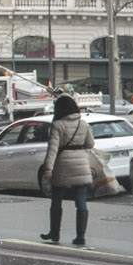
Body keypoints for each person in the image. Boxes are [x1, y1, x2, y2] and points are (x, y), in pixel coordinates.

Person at [38, 94, 96, 246]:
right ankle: (80, 237)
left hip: (63, 165)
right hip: (82, 164)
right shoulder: (83, 123)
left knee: (57, 200)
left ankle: (55, 233)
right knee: (81, 203)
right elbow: (90, 143)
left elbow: (53, 149)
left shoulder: (57, 125)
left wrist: (48, 168)